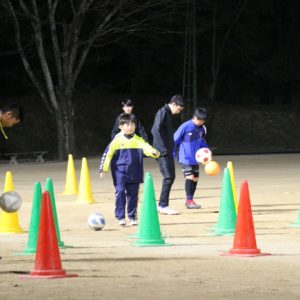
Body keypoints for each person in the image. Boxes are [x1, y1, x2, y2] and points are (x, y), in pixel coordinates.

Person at [100, 113, 160, 226]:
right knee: (121, 192)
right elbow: (107, 154)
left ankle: (132, 216)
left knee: (133, 195)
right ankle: (120, 217)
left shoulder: (138, 140)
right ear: (120, 126)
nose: (130, 127)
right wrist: (103, 168)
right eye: (127, 124)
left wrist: (154, 153)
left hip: (135, 172)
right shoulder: (116, 140)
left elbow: (147, 148)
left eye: (132, 124)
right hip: (120, 172)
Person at [151, 95, 184, 215]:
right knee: (168, 177)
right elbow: (155, 130)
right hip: (162, 151)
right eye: (179, 109)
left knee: (171, 176)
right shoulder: (163, 111)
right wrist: (163, 149)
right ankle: (163, 205)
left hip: (167, 151)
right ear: (174, 104)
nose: (179, 112)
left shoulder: (168, 114)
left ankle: (162, 203)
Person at [174, 107, 209, 209]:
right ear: (194, 117)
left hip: (196, 158)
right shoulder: (185, 126)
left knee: (195, 179)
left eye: (203, 121)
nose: (201, 122)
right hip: (185, 157)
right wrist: (172, 152)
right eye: (199, 120)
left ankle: (191, 200)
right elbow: (174, 139)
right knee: (190, 177)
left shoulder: (203, 128)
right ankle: (189, 201)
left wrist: (206, 151)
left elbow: (202, 141)